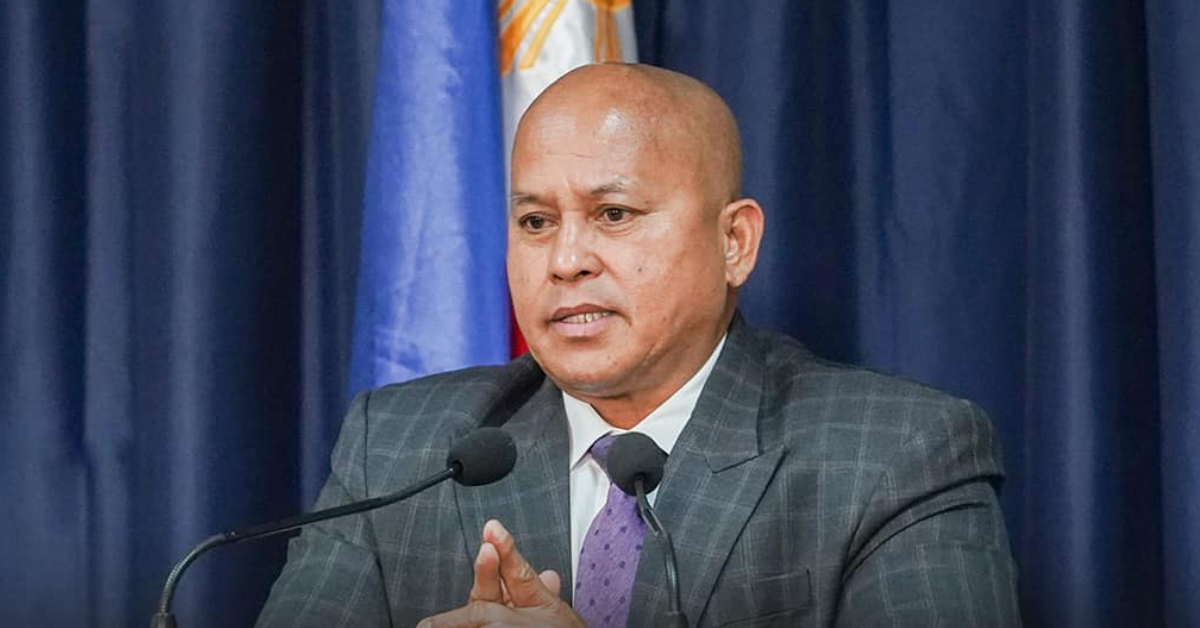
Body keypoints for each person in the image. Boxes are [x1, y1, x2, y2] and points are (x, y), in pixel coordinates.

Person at [257, 63, 1020, 627]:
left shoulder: (893, 457)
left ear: (734, 242)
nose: (566, 260)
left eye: (613, 214)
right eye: (535, 222)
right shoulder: (400, 449)